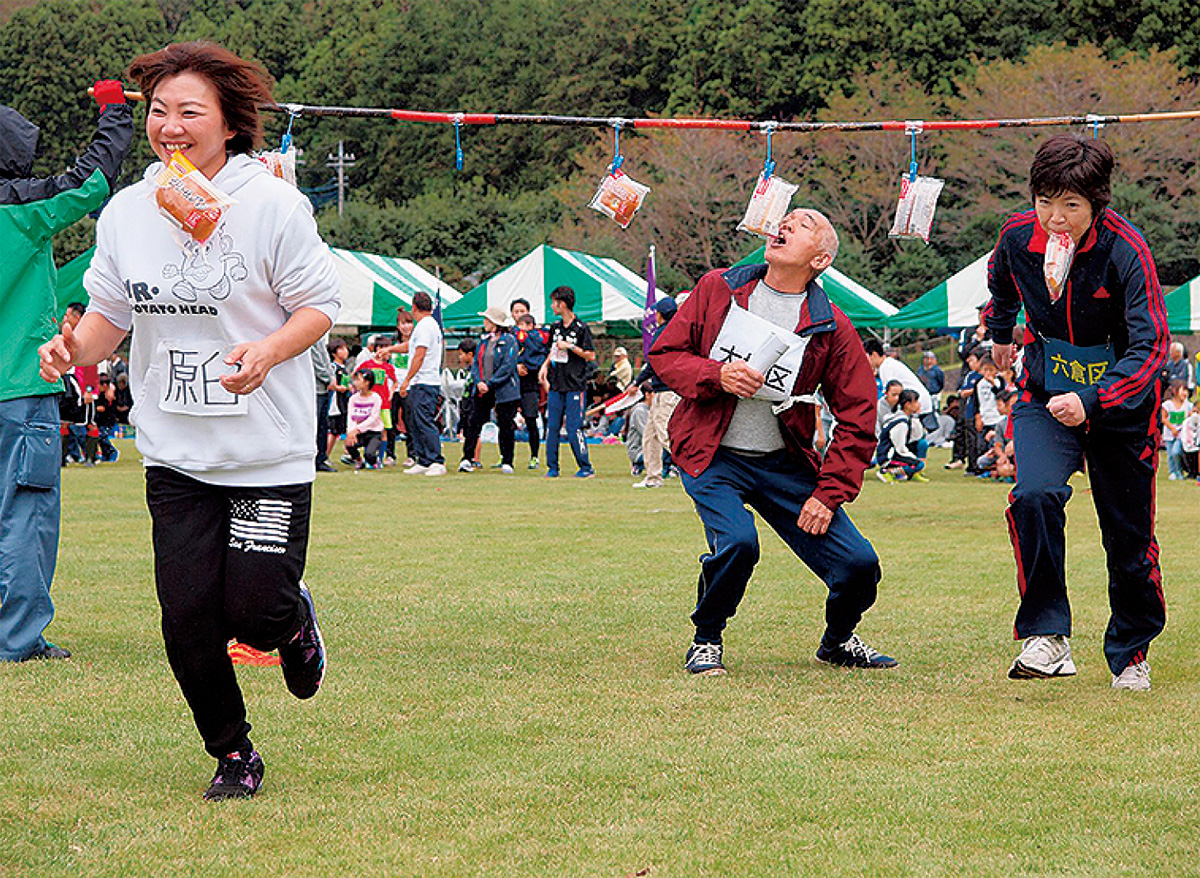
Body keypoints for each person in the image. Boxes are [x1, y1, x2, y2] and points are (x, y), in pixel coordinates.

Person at [38, 42, 340, 797]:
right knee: (187, 621)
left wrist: (268, 351)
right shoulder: (128, 211)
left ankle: (292, 622)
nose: (171, 127)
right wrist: (71, 348)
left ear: (230, 125)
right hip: (175, 450)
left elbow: (320, 308)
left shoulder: (271, 203)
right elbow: (110, 315)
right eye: (160, 112)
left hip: (263, 446)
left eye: (190, 112)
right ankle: (233, 752)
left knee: (256, 611)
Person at [647, 208, 896, 675]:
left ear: (820, 259)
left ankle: (838, 640)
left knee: (859, 564)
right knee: (739, 543)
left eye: (802, 224)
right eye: (784, 220)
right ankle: (706, 639)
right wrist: (715, 374)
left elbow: (859, 417)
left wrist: (829, 492)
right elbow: (664, 355)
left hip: (785, 463)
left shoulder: (833, 326)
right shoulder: (718, 288)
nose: (783, 226)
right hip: (711, 453)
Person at [987, 134, 1169, 691]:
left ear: (1097, 203)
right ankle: (1048, 637)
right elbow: (1000, 284)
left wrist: (1092, 399)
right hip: (1043, 395)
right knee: (1033, 495)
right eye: (1046, 201)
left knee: (1127, 534)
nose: (1056, 217)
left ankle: (1131, 651)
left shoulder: (1126, 250)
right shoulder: (1018, 237)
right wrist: (1000, 332)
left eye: (1071, 204)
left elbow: (1152, 347)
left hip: (1120, 410)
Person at [0, 79, 133, 662]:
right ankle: (18, 638)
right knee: (25, 513)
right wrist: (114, 111)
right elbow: (93, 179)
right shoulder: (21, 210)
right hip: (21, 387)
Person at [538, 286, 596, 479]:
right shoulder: (554, 328)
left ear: (562, 304)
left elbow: (590, 355)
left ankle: (585, 467)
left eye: (554, 302)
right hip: (556, 384)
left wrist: (571, 346)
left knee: (573, 428)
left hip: (575, 386)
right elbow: (552, 350)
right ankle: (552, 467)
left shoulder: (581, 328)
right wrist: (544, 367)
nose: (552, 306)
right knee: (552, 427)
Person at [458, 305, 519, 474]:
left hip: (503, 389)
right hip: (482, 389)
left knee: (506, 424)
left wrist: (491, 383)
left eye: (487, 319)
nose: (484, 322)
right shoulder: (484, 341)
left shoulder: (509, 341)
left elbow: (508, 366)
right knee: (473, 422)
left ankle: (507, 460)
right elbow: (476, 364)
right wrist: (479, 382)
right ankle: (467, 458)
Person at [633, 296, 682, 489]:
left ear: (661, 315)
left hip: (666, 392)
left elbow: (652, 363)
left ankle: (695, 468)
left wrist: (636, 382)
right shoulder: (677, 330)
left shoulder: (662, 333)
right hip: (663, 392)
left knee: (664, 435)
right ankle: (653, 477)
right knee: (650, 436)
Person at [397, 292, 446, 476]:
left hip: (425, 381)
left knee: (424, 420)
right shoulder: (426, 326)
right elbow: (410, 347)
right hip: (421, 382)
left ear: (414, 307)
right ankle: (423, 459)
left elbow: (419, 354)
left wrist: (407, 379)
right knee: (415, 421)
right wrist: (389, 349)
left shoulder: (425, 326)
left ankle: (436, 460)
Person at [513, 311, 546, 468]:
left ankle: (534, 456)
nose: (521, 330)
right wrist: (516, 366)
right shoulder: (512, 338)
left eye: (523, 326)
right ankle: (505, 457)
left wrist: (528, 366)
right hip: (512, 385)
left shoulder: (537, 340)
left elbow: (539, 359)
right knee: (506, 421)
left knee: (531, 420)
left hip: (530, 386)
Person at [875, 389, 928, 483]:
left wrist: (916, 417)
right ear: (907, 404)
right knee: (919, 465)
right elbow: (900, 447)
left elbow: (917, 436)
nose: (918, 404)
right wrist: (915, 459)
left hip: (897, 450)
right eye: (915, 401)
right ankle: (888, 471)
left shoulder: (908, 417)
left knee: (922, 443)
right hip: (888, 455)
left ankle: (910, 473)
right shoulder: (900, 422)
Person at [344, 369, 384, 469]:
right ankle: (358, 461)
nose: (355, 382)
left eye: (358, 380)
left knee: (369, 454)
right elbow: (351, 416)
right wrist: (351, 432)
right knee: (349, 444)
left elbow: (373, 417)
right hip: (358, 432)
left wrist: (357, 429)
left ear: (367, 382)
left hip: (373, 432)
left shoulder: (376, 398)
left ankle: (375, 461)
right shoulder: (353, 399)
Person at [311, 337, 336, 472]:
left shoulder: (319, 337)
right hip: (316, 387)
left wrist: (331, 376)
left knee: (322, 426)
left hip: (324, 387)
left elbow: (325, 358)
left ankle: (321, 458)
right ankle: (316, 459)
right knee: (316, 426)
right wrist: (328, 378)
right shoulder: (311, 335)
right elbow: (316, 360)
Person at [1161, 380, 1191, 481]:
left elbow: (1189, 418)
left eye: (1187, 391)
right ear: (1175, 391)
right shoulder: (1168, 404)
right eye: (1183, 390)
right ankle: (1172, 472)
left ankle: (1179, 471)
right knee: (1170, 454)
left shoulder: (1188, 405)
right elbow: (1163, 418)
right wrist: (1172, 428)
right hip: (1169, 434)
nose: (1185, 393)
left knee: (1176, 452)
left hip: (1181, 435)